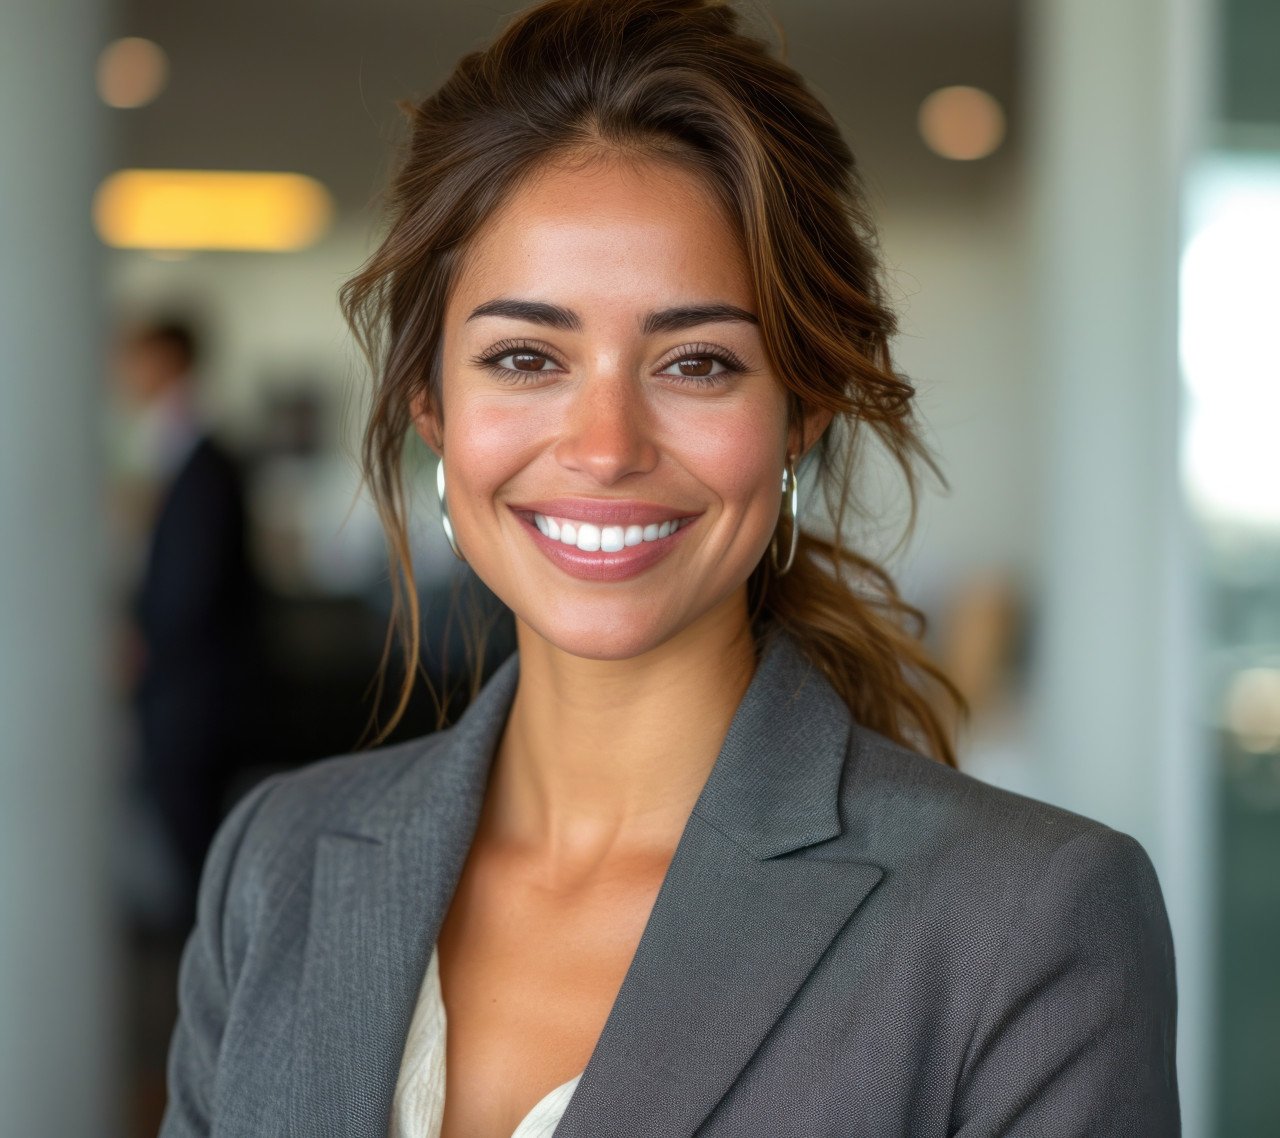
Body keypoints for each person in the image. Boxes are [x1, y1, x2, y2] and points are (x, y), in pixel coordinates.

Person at [161, 1, 1180, 1134]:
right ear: (429, 411)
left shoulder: (1025, 923)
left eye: (696, 362)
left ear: (799, 414)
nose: (605, 447)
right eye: (523, 357)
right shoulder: (277, 865)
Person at [116, 320, 258, 927]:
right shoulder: (174, 453)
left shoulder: (202, 460)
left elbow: (189, 588)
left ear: (168, 360)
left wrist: (140, 644)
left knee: (197, 857)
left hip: (194, 698)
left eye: (135, 359)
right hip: (189, 693)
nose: (124, 375)